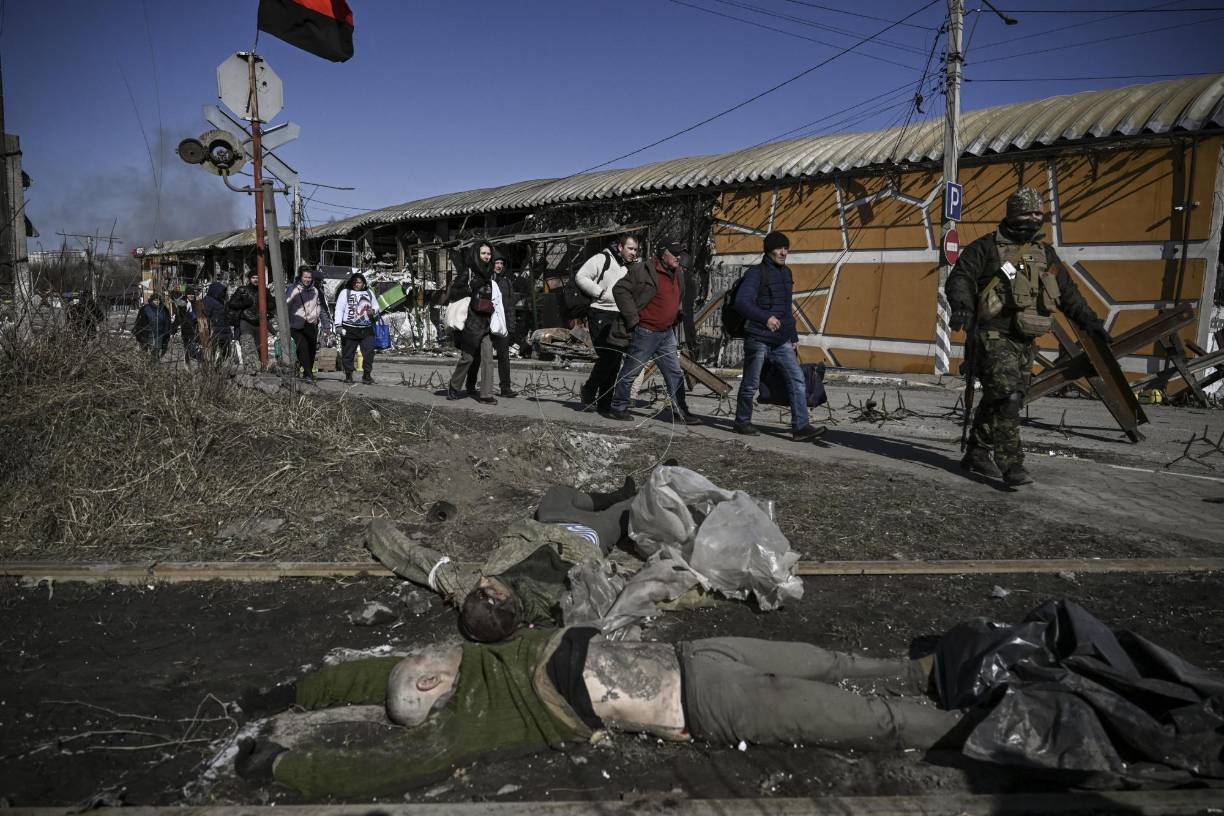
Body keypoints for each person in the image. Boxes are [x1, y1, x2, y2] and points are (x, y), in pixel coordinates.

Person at [232, 628, 954, 799]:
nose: (429, 657)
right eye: (423, 668)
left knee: (833, 661)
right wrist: (285, 767)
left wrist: (288, 695)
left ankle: (929, 672)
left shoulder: (482, 652)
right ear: (430, 688)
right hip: (711, 702)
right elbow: (394, 763)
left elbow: (370, 675)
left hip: (702, 651)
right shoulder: (479, 717)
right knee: (871, 722)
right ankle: (977, 733)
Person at [945, 187, 1108, 486]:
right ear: (1012, 213)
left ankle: (977, 452)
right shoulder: (985, 248)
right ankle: (1012, 465)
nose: (1033, 218)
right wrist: (963, 307)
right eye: (1026, 212)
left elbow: (1068, 293)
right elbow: (961, 278)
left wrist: (1090, 322)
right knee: (1008, 396)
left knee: (1005, 399)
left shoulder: (1045, 254)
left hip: (1025, 340)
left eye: (1037, 213)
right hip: (993, 335)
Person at [365, 478, 638, 642]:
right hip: (589, 535)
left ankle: (611, 497)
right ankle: (627, 498)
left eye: (479, 587)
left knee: (558, 494)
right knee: (625, 511)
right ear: (506, 602)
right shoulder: (561, 604)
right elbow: (615, 616)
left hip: (547, 523)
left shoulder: (471, 590)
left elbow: (418, 561)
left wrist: (375, 532)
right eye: (490, 588)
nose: (483, 580)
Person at [730, 231, 826, 442]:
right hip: (757, 338)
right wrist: (765, 318)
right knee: (751, 384)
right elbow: (741, 302)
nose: (783, 252)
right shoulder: (756, 273)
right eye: (779, 248)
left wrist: (793, 336)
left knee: (797, 379)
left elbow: (786, 309)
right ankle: (742, 422)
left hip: (781, 339)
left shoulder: (786, 273)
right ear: (768, 250)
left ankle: (801, 427)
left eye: (786, 248)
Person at [604, 238, 700, 425]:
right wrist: (633, 319)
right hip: (645, 332)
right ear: (663, 253)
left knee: (674, 373)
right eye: (675, 253)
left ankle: (680, 411)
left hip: (666, 333)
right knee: (631, 372)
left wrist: (676, 313)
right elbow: (620, 290)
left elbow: (677, 295)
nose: (679, 257)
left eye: (680, 254)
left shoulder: (678, 273)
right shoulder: (642, 270)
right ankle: (618, 407)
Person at [577, 234, 638, 412]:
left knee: (615, 359)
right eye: (630, 248)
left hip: (619, 315)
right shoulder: (602, 258)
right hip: (600, 313)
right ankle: (589, 390)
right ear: (620, 247)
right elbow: (581, 276)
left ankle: (605, 402)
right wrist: (600, 293)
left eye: (635, 249)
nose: (633, 252)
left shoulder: (630, 266)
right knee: (608, 357)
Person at [446, 242, 497, 403]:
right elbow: (453, 293)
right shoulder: (468, 272)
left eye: (489, 253)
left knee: (488, 358)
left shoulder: (492, 275)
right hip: (470, 323)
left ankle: (486, 395)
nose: (487, 256)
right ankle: (454, 386)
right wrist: (469, 289)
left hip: (486, 322)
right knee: (468, 358)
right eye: (483, 253)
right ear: (476, 254)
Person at [333, 271, 381, 384]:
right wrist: (338, 325)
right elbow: (339, 309)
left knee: (369, 352)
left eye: (359, 282)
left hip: (366, 328)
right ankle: (348, 375)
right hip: (349, 328)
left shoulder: (369, 292)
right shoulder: (345, 292)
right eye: (355, 282)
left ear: (363, 283)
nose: (357, 284)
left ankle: (367, 375)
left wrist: (373, 311)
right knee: (348, 353)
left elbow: (376, 306)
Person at [286, 265, 328, 382]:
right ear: (300, 277)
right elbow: (286, 306)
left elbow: (321, 308)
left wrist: (326, 324)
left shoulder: (315, 291)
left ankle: (306, 372)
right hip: (296, 325)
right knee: (303, 348)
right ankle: (309, 374)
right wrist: (285, 323)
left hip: (311, 324)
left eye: (309, 277)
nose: (307, 280)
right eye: (305, 277)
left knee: (311, 350)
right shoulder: (292, 289)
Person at [227, 270, 273, 372]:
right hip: (246, 321)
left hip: (260, 322)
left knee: (260, 346)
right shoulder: (242, 290)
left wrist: (268, 306)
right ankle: (251, 369)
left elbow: (271, 304)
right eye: (253, 278)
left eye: (257, 277)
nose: (256, 280)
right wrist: (244, 304)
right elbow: (231, 303)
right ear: (249, 279)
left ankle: (261, 368)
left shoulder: (265, 290)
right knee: (248, 344)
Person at [489, 248, 518, 398]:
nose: (499, 266)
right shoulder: (486, 279)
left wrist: (511, 327)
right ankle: (471, 385)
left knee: (504, 357)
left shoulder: (507, 281)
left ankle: (505, 388)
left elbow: (510, 306)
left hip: (502, 325)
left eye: (501, 263)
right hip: (486, 324)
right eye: (497, 263)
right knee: (480, 357)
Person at [131, 292, 173, 360]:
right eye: (155, 300)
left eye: (158, 300)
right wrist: (138, 332)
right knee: (145, 354)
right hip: (147, 334)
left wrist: (167, 333)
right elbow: (139, 321)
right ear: (151, 300)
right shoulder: (145, 309)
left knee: (155, 354)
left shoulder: (163, 309)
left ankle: (155, 365)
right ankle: (147, 365)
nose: (157, 301)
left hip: (159, 335)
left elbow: (167, 322)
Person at [200, 281, 233, 364]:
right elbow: (205, 315)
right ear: (215, 291)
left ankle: (217, 368)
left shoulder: (221, 300)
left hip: (224, 331)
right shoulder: (208, 300)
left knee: (225, 353)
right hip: (214, 331)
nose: (223, 294)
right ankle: (212, 369)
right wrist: (208, 330)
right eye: (222, 292)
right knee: (212, 354)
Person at [173, 289, 203, 364]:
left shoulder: (196, 303)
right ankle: (188, 363)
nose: (191, 296)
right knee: (187, 347)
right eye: (189, 294)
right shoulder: (182, 304)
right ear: (186, 295)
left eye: (192, 294)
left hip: (196, 328)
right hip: (186, 328)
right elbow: (178, 317)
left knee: (197, 347)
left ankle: (199, 363)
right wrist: (174, 327)